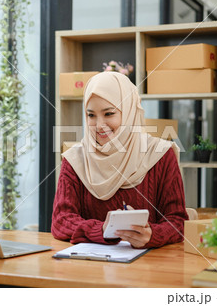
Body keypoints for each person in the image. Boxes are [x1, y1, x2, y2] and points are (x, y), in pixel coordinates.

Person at [51, 71, 188, 249]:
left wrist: (151, 235)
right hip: (89, 268)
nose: (99, 125)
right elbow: (61, 221)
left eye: (109, 114)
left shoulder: (161, 154)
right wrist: (101, 230)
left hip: (148, 268)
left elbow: (178, 222)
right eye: (91, 115)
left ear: (129, 112)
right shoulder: (75, 159)